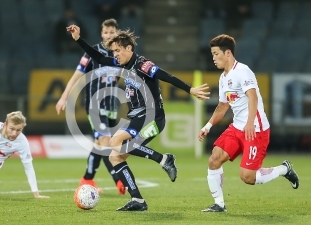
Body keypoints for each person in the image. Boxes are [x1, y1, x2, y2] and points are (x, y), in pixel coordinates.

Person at [67, 24, 210, 211]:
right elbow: (100, 58)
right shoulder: (121, 64)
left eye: (118, 50)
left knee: (116, 142)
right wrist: (79, 40)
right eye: (114, 51)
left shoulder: (143, 64)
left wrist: (190, 89)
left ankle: (163, 159)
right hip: (138, 117)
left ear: (129, 48)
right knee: (114, 157)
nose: (115, 54)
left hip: (152, 117)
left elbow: (166, 76)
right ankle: (138, 200)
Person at [198, 34, 299, 212]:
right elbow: (222, 107)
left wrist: (250, 122)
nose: (213, 58)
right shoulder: (223, 78)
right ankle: (219, 204)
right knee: (214, 159)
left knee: (247, 177)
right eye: (212, 54)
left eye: (215, 54)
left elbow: (252, 97)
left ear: (227, 53)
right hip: (237, 127)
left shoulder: (242, 71)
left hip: (256, 129)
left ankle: (284, 169)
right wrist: (207, 126)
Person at [56, 19, 125, 194]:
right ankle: (119, 179)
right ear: (101, 34)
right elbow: (76, 75)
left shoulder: (120, 54)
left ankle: (87, 178)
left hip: (111, 106)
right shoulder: (92, 52)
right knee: (106, 142)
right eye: (106, 32)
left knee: (99, 145)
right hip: (94, 105)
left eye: (112, 32)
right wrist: (63, 98)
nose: (109, 35)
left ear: (117, 33)